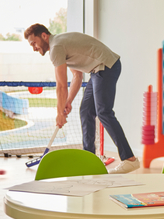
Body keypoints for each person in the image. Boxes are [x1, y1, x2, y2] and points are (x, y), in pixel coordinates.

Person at [24, 24, 140, 174]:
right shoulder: (60, 44)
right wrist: (68, 102)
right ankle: (89, 159)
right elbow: (77, 76)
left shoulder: (56, 47)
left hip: (105, 66)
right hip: (97, 70)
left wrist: (59, 114)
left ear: (44, 36)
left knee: (104, 112)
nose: (34, 48)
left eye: (34, 43)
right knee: (86, 110)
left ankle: (130, 159)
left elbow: (61, 86)